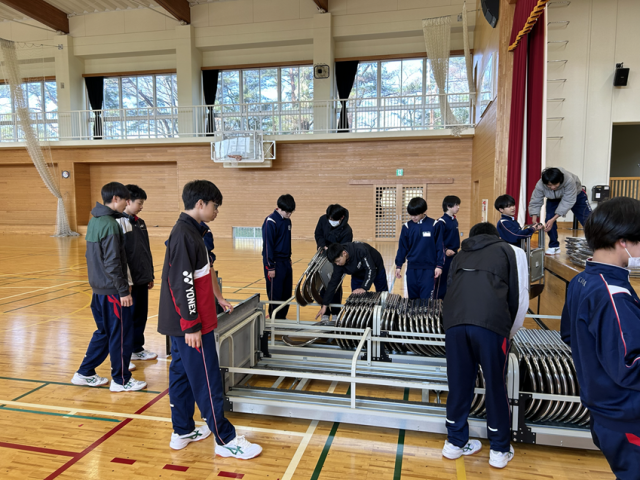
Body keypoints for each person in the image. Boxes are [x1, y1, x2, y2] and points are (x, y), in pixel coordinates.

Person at [158, 180, 261, 459]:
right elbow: (181, 284)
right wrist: (191, 324)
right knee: (207, 380)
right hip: (191, 326)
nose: (217, 211)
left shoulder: (194, 232)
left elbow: (203, 273)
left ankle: (182, 431)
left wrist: (217, 298)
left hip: (183, 324)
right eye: (215, 206)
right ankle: (225, 440)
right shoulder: (184, 235)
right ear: (200, 203)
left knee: (181, 376)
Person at [561, 197, 640, 479]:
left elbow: (569, 335)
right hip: (625, 415)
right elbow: (630, 367)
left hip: (603, 410)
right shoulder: (612, 294)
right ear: (623, 241)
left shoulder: (581, 281)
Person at [441, 222, 528, 469]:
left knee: (458, 384)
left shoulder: (459, 255)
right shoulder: (511, 251)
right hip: (491, 326)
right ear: (495, 236)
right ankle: (499, 449)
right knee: (496, 385)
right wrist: (509, 332)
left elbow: (449, 289)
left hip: (454, 324)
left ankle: (454, 443)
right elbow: (520, 297)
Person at [71, 182, 147, 392]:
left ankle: (85, 372)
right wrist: (123, 290)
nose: (127, 204)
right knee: (121, 335)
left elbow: (91, 257)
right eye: (125, 200)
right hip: (112, 291)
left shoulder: (94, 221)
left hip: (98, 291)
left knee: (104, 332)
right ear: (115, 199)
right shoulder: (111, 225)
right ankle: (121, 380)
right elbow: (113, 262)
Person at [116, 184, 157, 370]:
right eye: (139, 203)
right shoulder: (119, 223)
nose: (141, 206)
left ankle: (136, 349)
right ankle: (124, 354)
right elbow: (120, 256)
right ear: (128, 201)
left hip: (142, 278)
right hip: (129, 282)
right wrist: (126, 282)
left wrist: (150, 274)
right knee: (128, 318)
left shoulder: (140, 222)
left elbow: (145, 250)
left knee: (141, 316)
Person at [316, 242, 388, 320]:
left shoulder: (360, 250)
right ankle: (361, 319)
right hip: (357, 273)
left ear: (344, 253)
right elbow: (333, 283)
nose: (337, 264)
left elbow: (371, 269)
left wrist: (364, 288)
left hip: (375, 268)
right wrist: (325, 305)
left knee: (382, 294)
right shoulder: (338, 264)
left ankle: (384, 317)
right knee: (356, 298)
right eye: (335, 262)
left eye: (338, 261)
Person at [528, 167, 592, 255]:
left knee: (588, 219)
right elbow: (536, 200)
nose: (553, 187)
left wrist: (553, 219)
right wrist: (534, 220)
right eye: (549, 185)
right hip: (553, 198)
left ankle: (596, 244)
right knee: (549, 218)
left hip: (576, 195)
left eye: (555, 184)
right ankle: (554, 246)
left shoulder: (569, 180)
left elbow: (567, 202)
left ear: (560, 180)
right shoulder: (540, 184)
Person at [394, 197, 444, 299]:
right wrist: (399, 266)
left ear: (423, 211)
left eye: (416, 215)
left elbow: (440, 246)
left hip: (428, 269)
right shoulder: (407, 227)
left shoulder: (434, 225)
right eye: (411, 215)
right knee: (413, 300)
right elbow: (402, 248)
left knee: (426, 300)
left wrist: (439, 266)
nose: (413, 217)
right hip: (412, 269)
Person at [314, 204, 353, 319]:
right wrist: (322, 245)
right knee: (322, 285)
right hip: (323, 256)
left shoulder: (347, 230)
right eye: (329, 218)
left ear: (341, 217)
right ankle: (325, 313)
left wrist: (331, 251)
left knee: (335, 285)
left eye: (333, 219)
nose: (330, 220)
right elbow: (318, 234)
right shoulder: (323, 219)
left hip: (336, 260)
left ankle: (336, 313)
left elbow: (343, 248)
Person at [262, 194, 295, 320]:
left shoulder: (287, 221)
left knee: (286, 293)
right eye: (287, 212)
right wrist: (270, 266)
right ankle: (274, 319)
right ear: (279, 208)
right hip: (275, 263)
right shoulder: (271, 221)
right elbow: (268, 246)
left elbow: (287, 241)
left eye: (291, 212)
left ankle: (282, 317)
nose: (289, 214)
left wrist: (289, 258)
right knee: (275, 293)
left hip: (286, 262)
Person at [435, 195, 461, 299]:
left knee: (452, 278)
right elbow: (438, 240)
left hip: (454, 254)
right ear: (448, 206)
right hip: (445, 256)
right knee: (442, 281)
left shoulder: (454, 220)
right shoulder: (441, 222)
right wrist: (445, 250)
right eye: (456, 205)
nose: (458, 207)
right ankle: (438, 302)